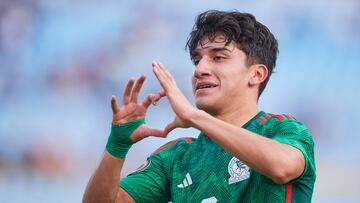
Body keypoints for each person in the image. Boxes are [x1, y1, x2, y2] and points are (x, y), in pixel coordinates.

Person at [83, 10, 316, 203]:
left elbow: (282, 167)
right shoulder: (176, 157)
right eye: (197, 60)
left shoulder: (284, 130)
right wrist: (117, 146)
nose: (199, 69)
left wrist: (195, 117)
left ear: (256, 74)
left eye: (218, 57)